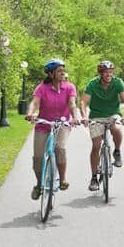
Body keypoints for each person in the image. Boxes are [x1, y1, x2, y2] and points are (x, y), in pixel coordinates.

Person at [25, 59, 80, 200]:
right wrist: (30, 113)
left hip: (62, 124)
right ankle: (39, 185)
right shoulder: (41, 88)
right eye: (59, 70)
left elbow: (72, 104)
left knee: (59, 148)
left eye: (63, 70)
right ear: (51, 74)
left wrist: (75, 116)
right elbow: (35, 102)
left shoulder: (69, 87)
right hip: (43, 124)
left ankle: (62, 180)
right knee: (38, 157)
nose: (63, 72)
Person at [80, 60, 124, 191]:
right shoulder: (92, 84)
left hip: (113, 114)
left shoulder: (118, 82)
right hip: (96, 116)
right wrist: (85, 117)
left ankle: (117, 151)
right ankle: (93, 178)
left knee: (117, 129)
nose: (109, 75)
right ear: (101, 74)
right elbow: (83, 102)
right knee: (96, 145)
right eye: (106, 72)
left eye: (110, 72)